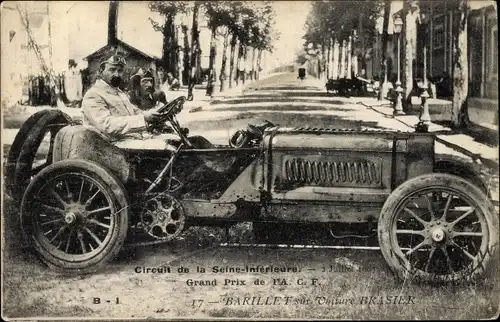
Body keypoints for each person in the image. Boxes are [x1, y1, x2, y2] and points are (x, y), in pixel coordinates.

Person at [81, 54, 178, 150]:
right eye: (112, 70)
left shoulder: (118, 92)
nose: (116, 74)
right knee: (166, 148)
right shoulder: (93, 95)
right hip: (112, 146)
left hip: (132, 138)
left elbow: (135, 111)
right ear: (101, 71)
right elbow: (107, 125)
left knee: (176, 140)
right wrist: (143, 119)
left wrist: (153, 114)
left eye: (120, 70)